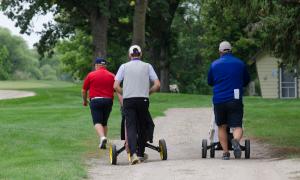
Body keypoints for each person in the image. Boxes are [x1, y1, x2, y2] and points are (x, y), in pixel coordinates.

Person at [114, 45, 160, 165]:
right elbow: (157, 84)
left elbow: (115, 86)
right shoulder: (147, 66)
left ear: (130, 55)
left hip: (129, 100)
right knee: (142, 125)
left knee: (131, 126)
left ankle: (133, 154)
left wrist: (125, 93)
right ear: (140, 54)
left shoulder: (123, 67)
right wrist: (148, 92)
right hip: (143, 100)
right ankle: (141, 154)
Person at [207, 41, 250, 160]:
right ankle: (235, 140)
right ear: (231, 50)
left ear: (220, 52)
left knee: (221, 126)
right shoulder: (240, 63)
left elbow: (210, 82)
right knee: (237, 125)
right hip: (235, 99)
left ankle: (225, 153)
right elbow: (246, 80)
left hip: (219, 100)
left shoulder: (214, 64)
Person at [82, 57, 115, 149]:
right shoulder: (112, 75)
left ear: (97, 65)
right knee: (104, 122)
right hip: (108, 101)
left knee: (97, 122)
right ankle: (103, 142)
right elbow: (116, 89)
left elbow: (84, 90)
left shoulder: (91, 75)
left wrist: (85, 101)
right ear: (105, 65)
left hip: (96, 100)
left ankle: (102, 137)